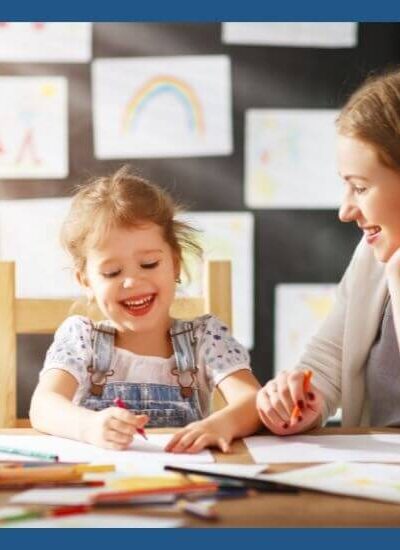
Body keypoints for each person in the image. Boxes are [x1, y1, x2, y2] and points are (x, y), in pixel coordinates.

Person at [30, 166, 261, 452]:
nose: (132, 281)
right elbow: (43, 406)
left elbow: (252, 401)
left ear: (175, 264)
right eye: (112, 272)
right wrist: (89, 426)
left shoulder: (204, 337)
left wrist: (221, 424)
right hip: (103, 482)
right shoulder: (81, 339)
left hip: (184, 484)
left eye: (149, 264)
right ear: (86, 280)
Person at [257, 67, 400, 435]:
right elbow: (328, 359)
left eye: (361, 188)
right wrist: (305, 399)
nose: (345, 210)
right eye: (346, 186)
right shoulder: (371, 257)